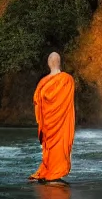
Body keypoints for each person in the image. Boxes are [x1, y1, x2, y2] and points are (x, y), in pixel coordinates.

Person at [29, 52, 75, 183]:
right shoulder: (68, 80)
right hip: (61, 123)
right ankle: (56, 173)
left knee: (50, 147)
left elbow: (37, 102)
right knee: (60, 146)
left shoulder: (43, 83)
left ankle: (49, 170)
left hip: (48, 123)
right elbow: (68, 102)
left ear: (49, 63)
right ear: (60, 62)